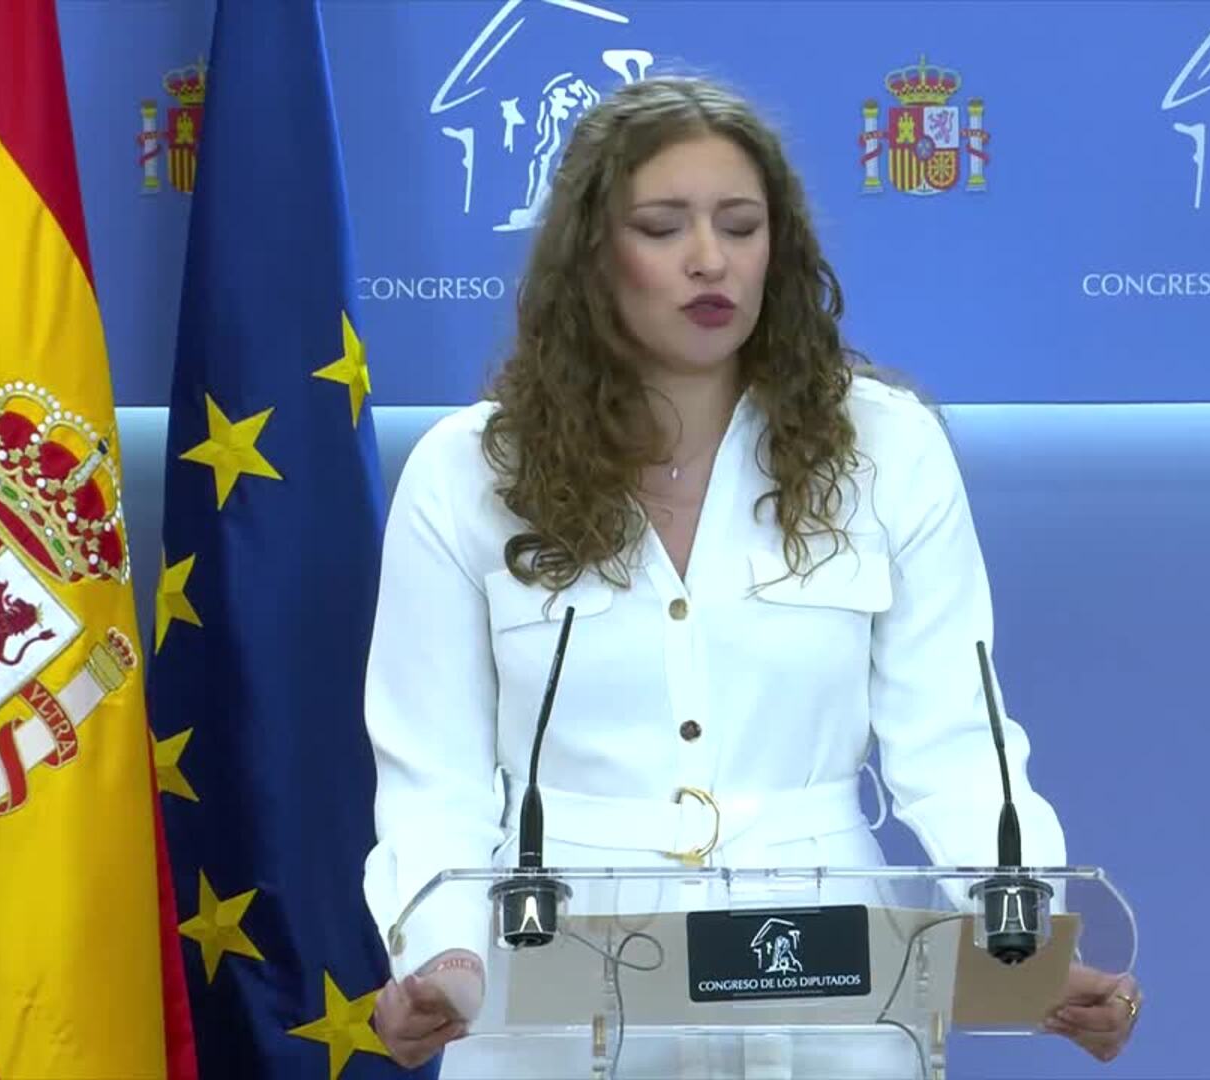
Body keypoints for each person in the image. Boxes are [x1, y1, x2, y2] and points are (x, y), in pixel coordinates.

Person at [361, 75, 1141, 1076]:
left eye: (740, 226)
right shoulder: (468, 473)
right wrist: (444, 957)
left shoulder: (884, 448)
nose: (709, 259)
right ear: (590, 254)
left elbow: (956, 741)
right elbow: (434, 774)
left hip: (830, 989)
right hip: (554, 986)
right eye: (662, 227)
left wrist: (1021, 938)